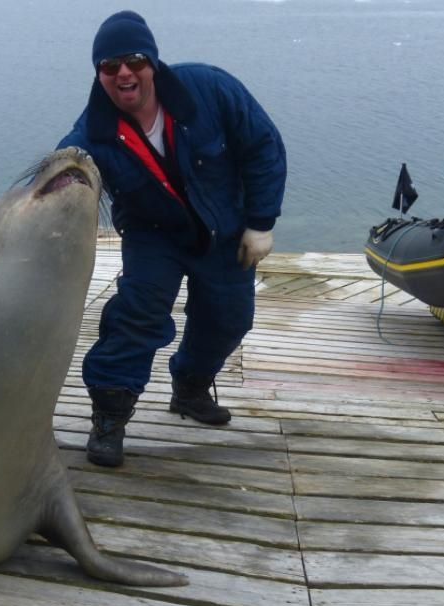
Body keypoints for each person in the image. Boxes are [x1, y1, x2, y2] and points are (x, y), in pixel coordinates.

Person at [57, 11, 287, 467]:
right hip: (152, 235)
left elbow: (263, 145)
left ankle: (190, 386)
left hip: (225, 229)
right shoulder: (92, 135)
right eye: (109, 65)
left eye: (135, 60)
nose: (124, 72)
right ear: (99, 74)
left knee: (229, 317)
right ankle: (109, 417)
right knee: (136, 316)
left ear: (154, 62)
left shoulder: (209, 89)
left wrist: (261, 222)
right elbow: (59, 181)